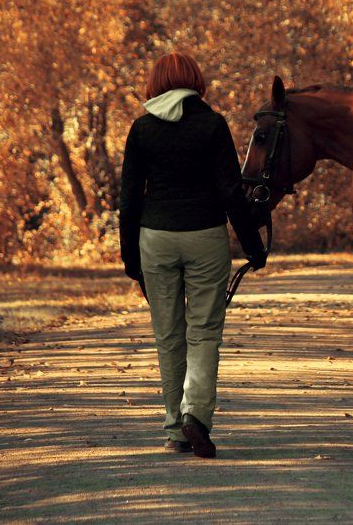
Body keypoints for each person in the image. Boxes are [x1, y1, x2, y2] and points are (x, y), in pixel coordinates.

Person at [119, 51, 267, 459]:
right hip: (205, 237)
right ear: (195, 81)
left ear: (155, 83)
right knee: (203, 332)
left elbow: (129, 198)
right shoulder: (212, 124)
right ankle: (196, 416)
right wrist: (253, 247)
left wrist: (129, 257)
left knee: (168, 336)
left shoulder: (142, 129)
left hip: (156, 238)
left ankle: (175, 429)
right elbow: (230, 191)